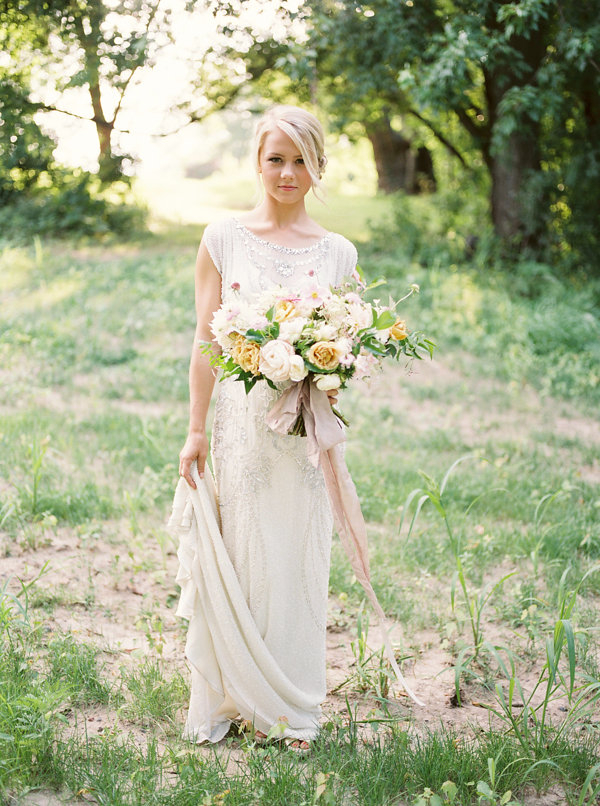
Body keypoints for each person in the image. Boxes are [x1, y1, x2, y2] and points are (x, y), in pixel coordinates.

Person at [170, 105, 358, 752]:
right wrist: (195, 430)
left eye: (301, 159)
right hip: (241, 428)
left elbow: (348, 344)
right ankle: (244, 700)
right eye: (276, 158)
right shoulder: (222, 238)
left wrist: (325, 367)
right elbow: (204, 341)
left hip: (305, 431)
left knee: (299, 555)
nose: (288, 172)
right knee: (250, 551)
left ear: (317, 166)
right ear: (257, 162)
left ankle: (292, 710)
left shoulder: (338, 252)